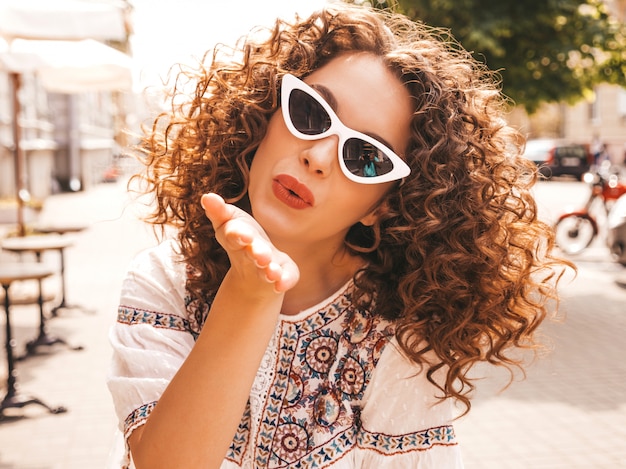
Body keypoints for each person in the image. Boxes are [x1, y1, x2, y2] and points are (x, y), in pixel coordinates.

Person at [106, 3, 571, 468]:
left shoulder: (400, 336)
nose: (319, 157)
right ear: (263, 116)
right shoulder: (165, 280)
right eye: (310, 111)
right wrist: (249, 293)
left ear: (383, 205)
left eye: (367, 157)